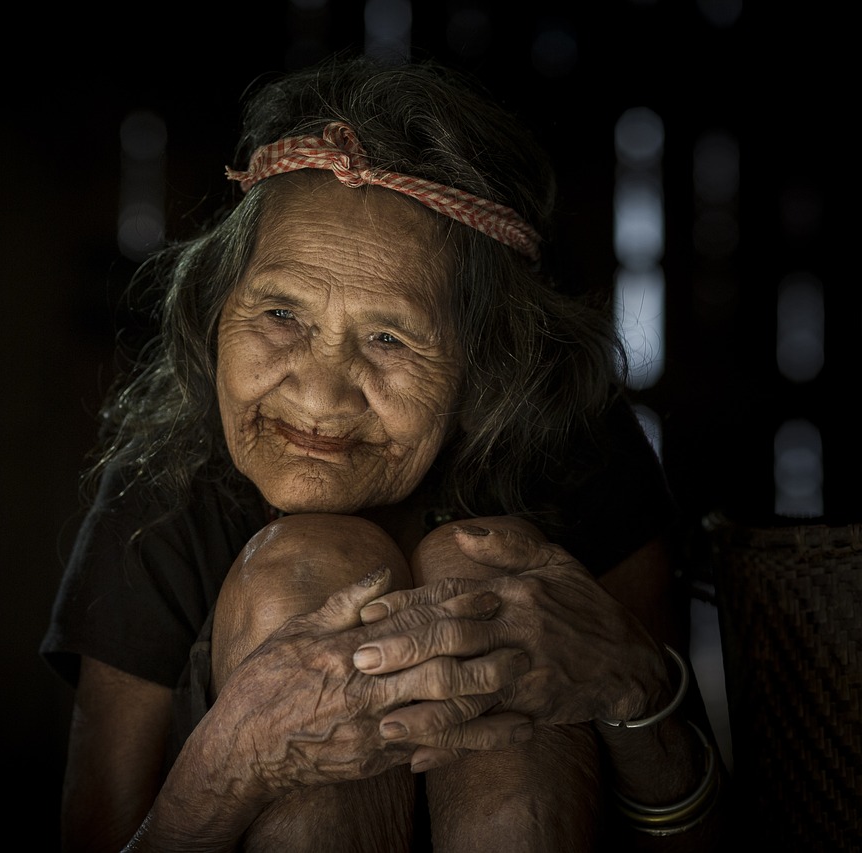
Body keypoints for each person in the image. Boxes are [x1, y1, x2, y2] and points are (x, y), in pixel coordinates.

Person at [41, 53, 727, 851]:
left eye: (388, 337)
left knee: (492, 588)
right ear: (217, 304)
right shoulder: (162, 488)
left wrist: (624, 677)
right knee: (304, 572)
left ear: (484, 362)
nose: (322, 396)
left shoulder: (574, 454)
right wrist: (236, 758)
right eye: (281, 315)